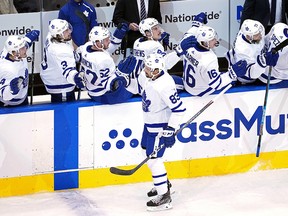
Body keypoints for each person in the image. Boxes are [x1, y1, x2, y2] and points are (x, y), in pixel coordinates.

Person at [137, 53, 186, 211]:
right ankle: (163, 183)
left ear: (156, 70)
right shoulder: (149, 77)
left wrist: (170, 130)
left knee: (153, 159)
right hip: (149, 123)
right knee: (146, 150)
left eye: (148, 68)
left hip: (159, 127)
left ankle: (164, 196)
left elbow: (179, 109)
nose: (145, 69)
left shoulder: (165, 85)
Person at [127, 17, 195, 95]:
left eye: (158, 27)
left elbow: (148, 48)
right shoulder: (156, 46)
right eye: (155, 29)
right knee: (182, 83)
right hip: (149, 84)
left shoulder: (137, 41)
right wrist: (179, 51)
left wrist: (158, 39)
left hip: (137, 81)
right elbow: (164, 65)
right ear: (147, 33)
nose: (159, 30)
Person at [77, 24, 137, 104]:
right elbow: (110, 86)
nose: (109, 41)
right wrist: (121, 73)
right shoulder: (104, 60)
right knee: (136, 85)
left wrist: (117, 37)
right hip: (104, 95)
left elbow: (78, 56)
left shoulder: (86, 47)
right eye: (106, 40)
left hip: (92, 90)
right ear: (97, 42)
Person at [40, 19, 85, 103]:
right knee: (66, 113)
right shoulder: (60, 51)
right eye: (66, 30)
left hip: (53, 78)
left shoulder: (51, 35)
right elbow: (68, 71)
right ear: (59, 34)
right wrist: (76, 78)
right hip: (61, 86)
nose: (69, 31)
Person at [226, 19, 279, 84]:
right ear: (248, 37)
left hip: (257, 55)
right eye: (256, 35)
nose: (260, 35)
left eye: (259, 32)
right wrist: (261, 63)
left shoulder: (249, 31)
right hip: (247, 75)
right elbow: (252, 74)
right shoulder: (242, 50)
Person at [0, 30, 40, 107]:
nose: (25, 49)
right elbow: (4, 95)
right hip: (10, 104)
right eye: (22, 48)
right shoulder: (6, 69)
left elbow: (26, 42)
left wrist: (31, 37)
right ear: (14, 52)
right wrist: (11, 90)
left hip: (22, 96)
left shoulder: (11, 52)